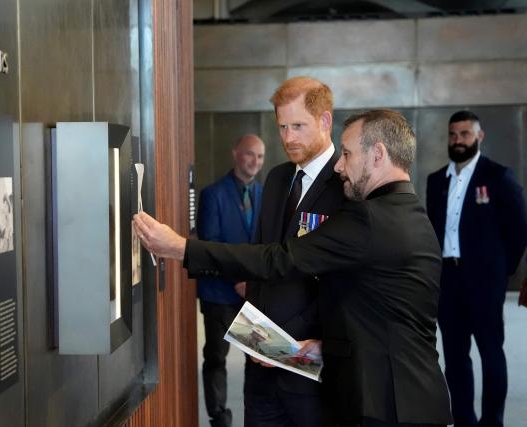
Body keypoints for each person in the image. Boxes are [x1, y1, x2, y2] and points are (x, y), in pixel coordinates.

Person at [135, 109, 453, 427]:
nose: (340, 166)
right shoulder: (411, 214)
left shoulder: (369, 217)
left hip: (386, 406)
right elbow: (387, 313)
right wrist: (324, 348)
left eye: (346, 154)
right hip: (413, 399)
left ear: (378, 154)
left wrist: (180, 247)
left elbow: (279, 259)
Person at [241, 76, 344, 427]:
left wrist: (298, 342)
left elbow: (344, 280)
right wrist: (256, 335)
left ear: (325, 121)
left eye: (298, 126)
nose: (287, 138)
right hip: (260, 356)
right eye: (282, 127)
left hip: (310, 360)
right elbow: (260, 258)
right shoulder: (276, 179)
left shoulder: (346, 185)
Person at [425, 111, 527, 427]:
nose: (458, 141)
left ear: (479, 137)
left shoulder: (498, 177)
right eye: (453, 135)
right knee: (455, 358)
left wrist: (502, 269)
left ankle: (492, 421)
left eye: (465, 134)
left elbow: (520, 229)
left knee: (490, 353)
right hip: (448, 280)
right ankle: (464, 419)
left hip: (485, 282)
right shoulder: (435, 181)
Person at [197, 133, 265, 427]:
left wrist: (252, 282)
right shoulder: (213, 194)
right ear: (236, 153)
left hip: (255, 295)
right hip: (219, 295)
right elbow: (210, 243)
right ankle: (219, 417)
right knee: (216, 358)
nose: (255, 162)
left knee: (259, 358)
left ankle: (258, 413)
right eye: (250, 154)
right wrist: (238, 279)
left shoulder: (266, 195)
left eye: (260, 157)